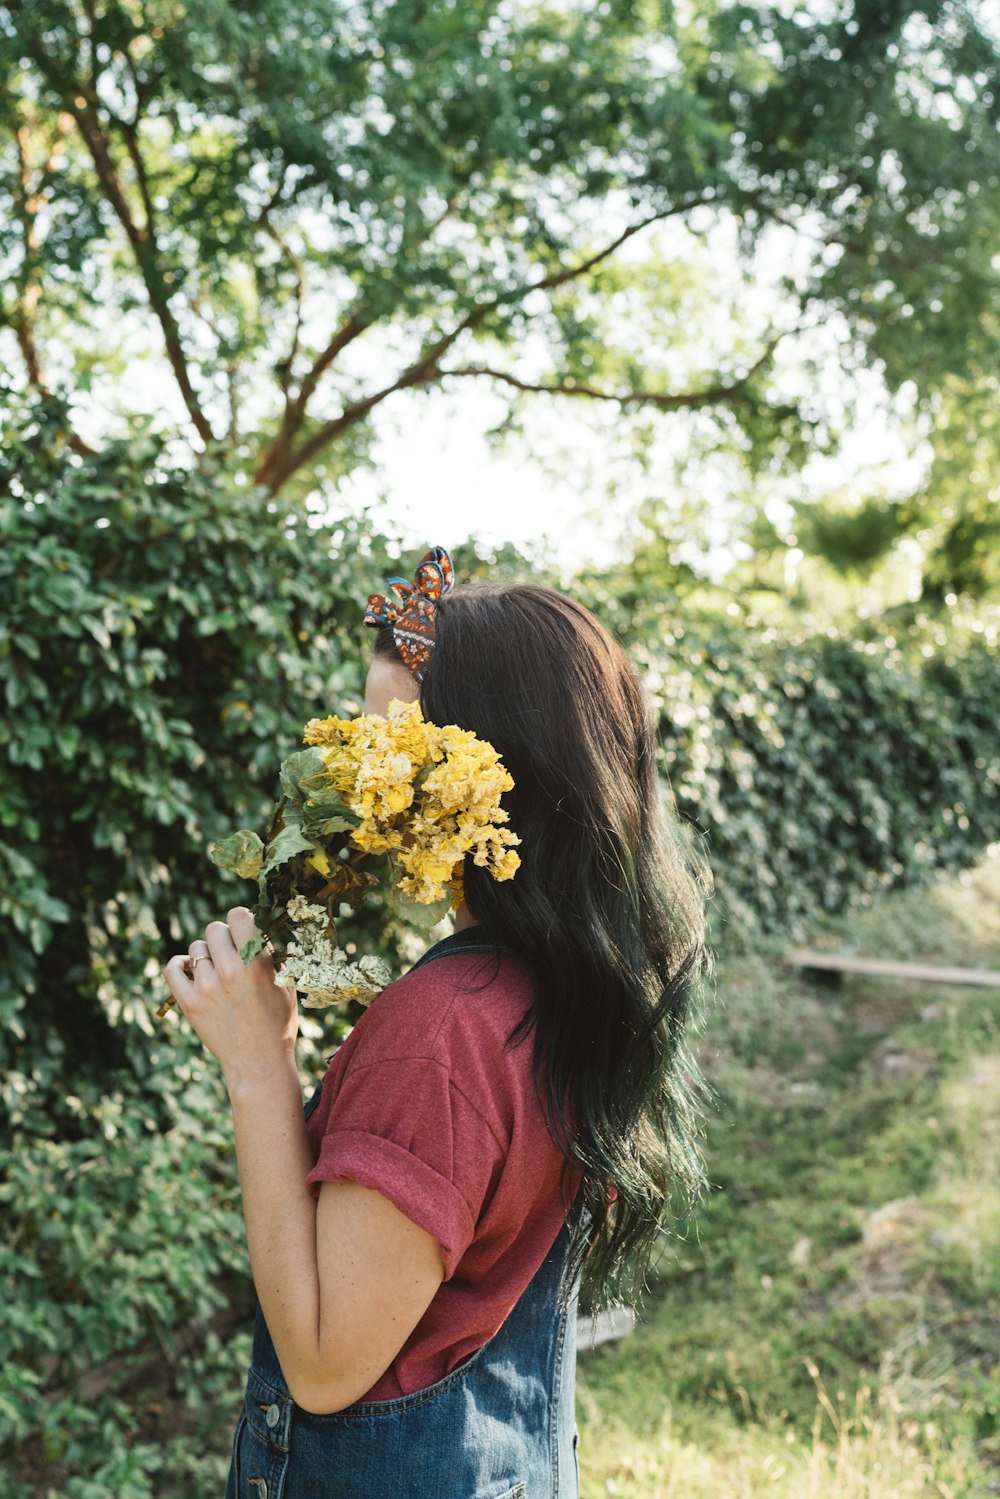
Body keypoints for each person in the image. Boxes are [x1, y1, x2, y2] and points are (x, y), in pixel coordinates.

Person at [161, 545, 713, 1498]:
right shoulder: (562, 986)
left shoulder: (446, 1029)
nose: (351, 770)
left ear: (489, 766)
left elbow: (327, 1366)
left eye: (390, 739)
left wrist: (258, 1064)